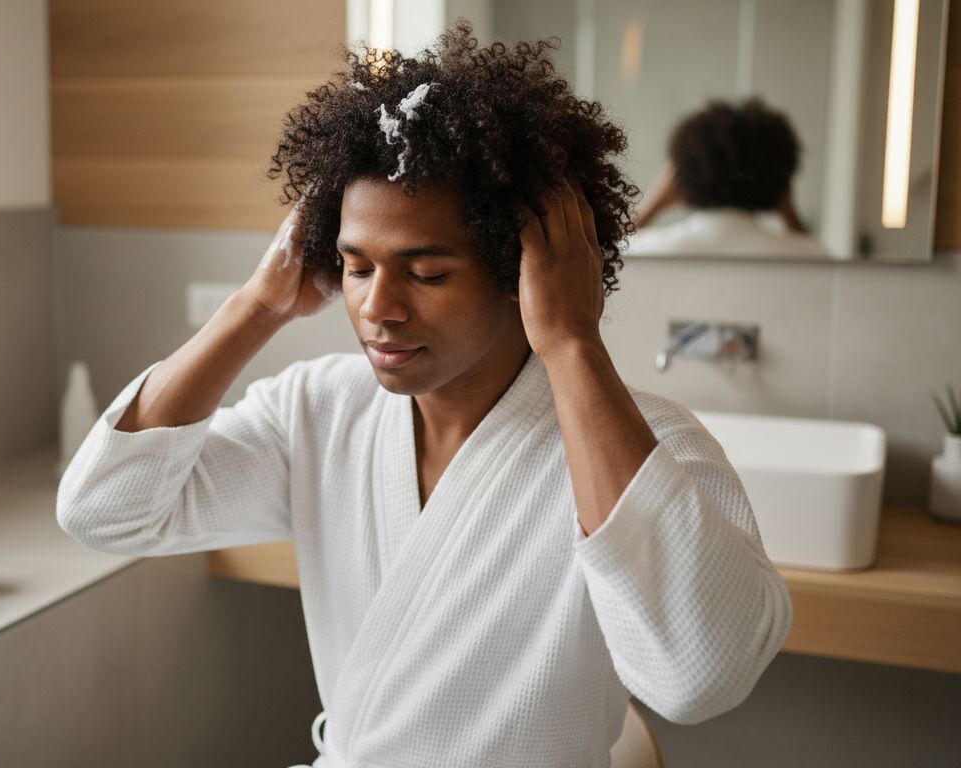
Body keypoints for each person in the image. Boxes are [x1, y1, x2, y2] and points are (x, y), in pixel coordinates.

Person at [57, 22, 792, 768]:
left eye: (426, 273)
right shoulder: (320, 411)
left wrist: (573, 342)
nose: (378, 307)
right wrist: (258, 305)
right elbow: (103, 509)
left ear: (522, 272)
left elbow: (699, 679)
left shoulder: (650, 446)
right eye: (355, 267)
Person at [630, 98, 826, 257]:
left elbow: (615, 251)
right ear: (782, 184)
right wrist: (789, 212)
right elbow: (826, 268)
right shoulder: (804, 255)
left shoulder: (644, 250)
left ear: (678, 177)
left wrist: (655, 204)